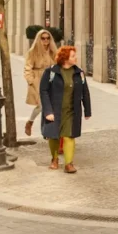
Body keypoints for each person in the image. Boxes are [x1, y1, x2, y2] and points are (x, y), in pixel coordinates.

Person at [39, 46, 92, 174]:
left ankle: (69, 164)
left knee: (69, 136)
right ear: (65, 58)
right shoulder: (51, 72)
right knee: (54, 137)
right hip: (54, 111)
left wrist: (87, 110)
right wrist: (48, 111)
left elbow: (85, 92)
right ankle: (54, 159)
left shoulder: (79, 73)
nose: (76, 58)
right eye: (73, 56)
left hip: (71, 111)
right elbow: (43, 91)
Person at [23, 29, 56, 136]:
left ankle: (47, 130)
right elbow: (27, 68)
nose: (46, 40)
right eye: (43, 38)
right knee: (41, 105)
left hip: (51, 79)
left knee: (51, 106)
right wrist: (31, 81)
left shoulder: (53, 51)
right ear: (39, 39)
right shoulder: (33, 52)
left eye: (48, 38)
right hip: (38, 79)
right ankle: (30, 122)